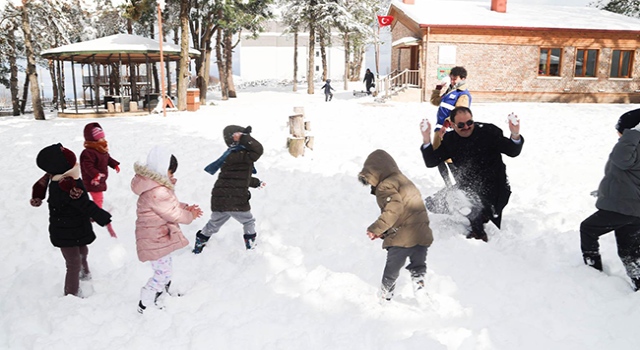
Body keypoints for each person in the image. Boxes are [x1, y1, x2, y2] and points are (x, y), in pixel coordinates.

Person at [420, 107, 523, 242]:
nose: (466, 127)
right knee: (433, 203)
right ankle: (478, 214)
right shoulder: (450, 139)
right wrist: (426, 139)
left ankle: (479, 233)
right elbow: (431, 161)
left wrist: (515, 134)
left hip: (495, 188)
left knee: (463, 200)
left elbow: (512, 151)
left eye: (469, 122)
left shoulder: (488, 132)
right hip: (467, 186)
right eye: (461, 125)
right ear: (452, 125)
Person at [31, 143, 112, 297]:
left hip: (76, 225)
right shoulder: (66, 185)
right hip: (65, 230)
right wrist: (99, 215)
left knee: (83, 251)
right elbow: (83, 203)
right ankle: (71, 294)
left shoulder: (66, 177)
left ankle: (85, 276)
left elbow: (79, 203)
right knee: (73, 262)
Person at [131, 146, 203, 313]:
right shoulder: (157, 191)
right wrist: (189, 215)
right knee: (162, 273)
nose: (172, 176)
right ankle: (145, 301)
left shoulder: (154, 187)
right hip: (154, 238)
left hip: (157, 236)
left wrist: (185, 207)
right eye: (171, 173)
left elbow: (168, 206)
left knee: (165, 269)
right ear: (163, 170)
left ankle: (160, 294)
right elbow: (172, 213)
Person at [359, 150, 434, 301]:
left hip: (403, 236)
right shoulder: (402, 180)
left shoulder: (385, 186)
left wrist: (376, 229)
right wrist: (386, 232)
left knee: (392, 269)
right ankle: (420, 289)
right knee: (417, 265)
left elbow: (394, 209)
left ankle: (385, 295)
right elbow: (407, 212)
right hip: (421, 233)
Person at [580, 109, 640, 291]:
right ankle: (638, 282)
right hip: (630, 208)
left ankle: (592, 272)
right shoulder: (633, 148)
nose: (618, 134)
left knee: (588, 229)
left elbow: (621, 160)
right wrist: (605, 192)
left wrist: (632, 133)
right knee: (628, 251)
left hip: (623, 208)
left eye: (620, 130)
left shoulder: (631, 147)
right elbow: (625, 176)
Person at [193, 125, 264, 254]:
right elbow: (258, 149)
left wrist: (256, 182)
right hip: (235, 199)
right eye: (240, 135)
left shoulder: (230, 155)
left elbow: (238, 177)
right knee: (248, 221)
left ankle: (200, 243)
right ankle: (251, 247)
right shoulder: (241, 154)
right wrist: (244, 138)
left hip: (220, 198)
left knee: (214, 224)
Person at [430, 66, 471, 187]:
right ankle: (448, 185)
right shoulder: (450, 90)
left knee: (450, 160)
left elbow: (459, 114)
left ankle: (461, 185)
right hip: (439, 130)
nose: (452, 81)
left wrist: (446, 125)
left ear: (463, 79)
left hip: (449, 131)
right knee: (438, 158)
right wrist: (438, 88)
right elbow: (435, 102)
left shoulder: (463, 94)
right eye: (451, 79)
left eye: (455, 79)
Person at [80, 122, 119, 237]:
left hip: (99, 179)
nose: (103, 139)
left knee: (94, 197)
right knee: (98, 198)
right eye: (100, 138)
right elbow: (88, 166)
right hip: (93, 180)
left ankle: (92, 211)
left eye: (103, 136)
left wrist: (114, 164)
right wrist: (96, 175)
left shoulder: (101, 149)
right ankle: (96, 215)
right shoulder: (88, 152)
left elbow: (107, 158)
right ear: (92, 140)